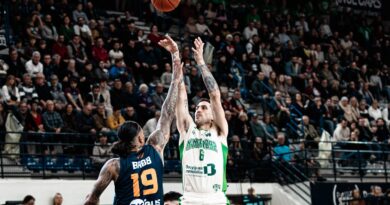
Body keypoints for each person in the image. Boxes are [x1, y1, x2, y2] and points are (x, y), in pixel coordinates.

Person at [84, 35, 182, 205]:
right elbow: (167, 112)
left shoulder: (114, 166)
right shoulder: (155, 148)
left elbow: (92, 199)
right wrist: (175, 66)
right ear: (139, 138)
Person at [176, 37, 229, 204]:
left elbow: (214, 95)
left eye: (204, 108)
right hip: (190, 200)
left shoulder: (219, 131)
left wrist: (200, 60)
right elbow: (181, 95)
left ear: (213, 115)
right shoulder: (187, 129)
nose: (198, 110)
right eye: (197, 108)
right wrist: (176, 63)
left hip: (216, 199)